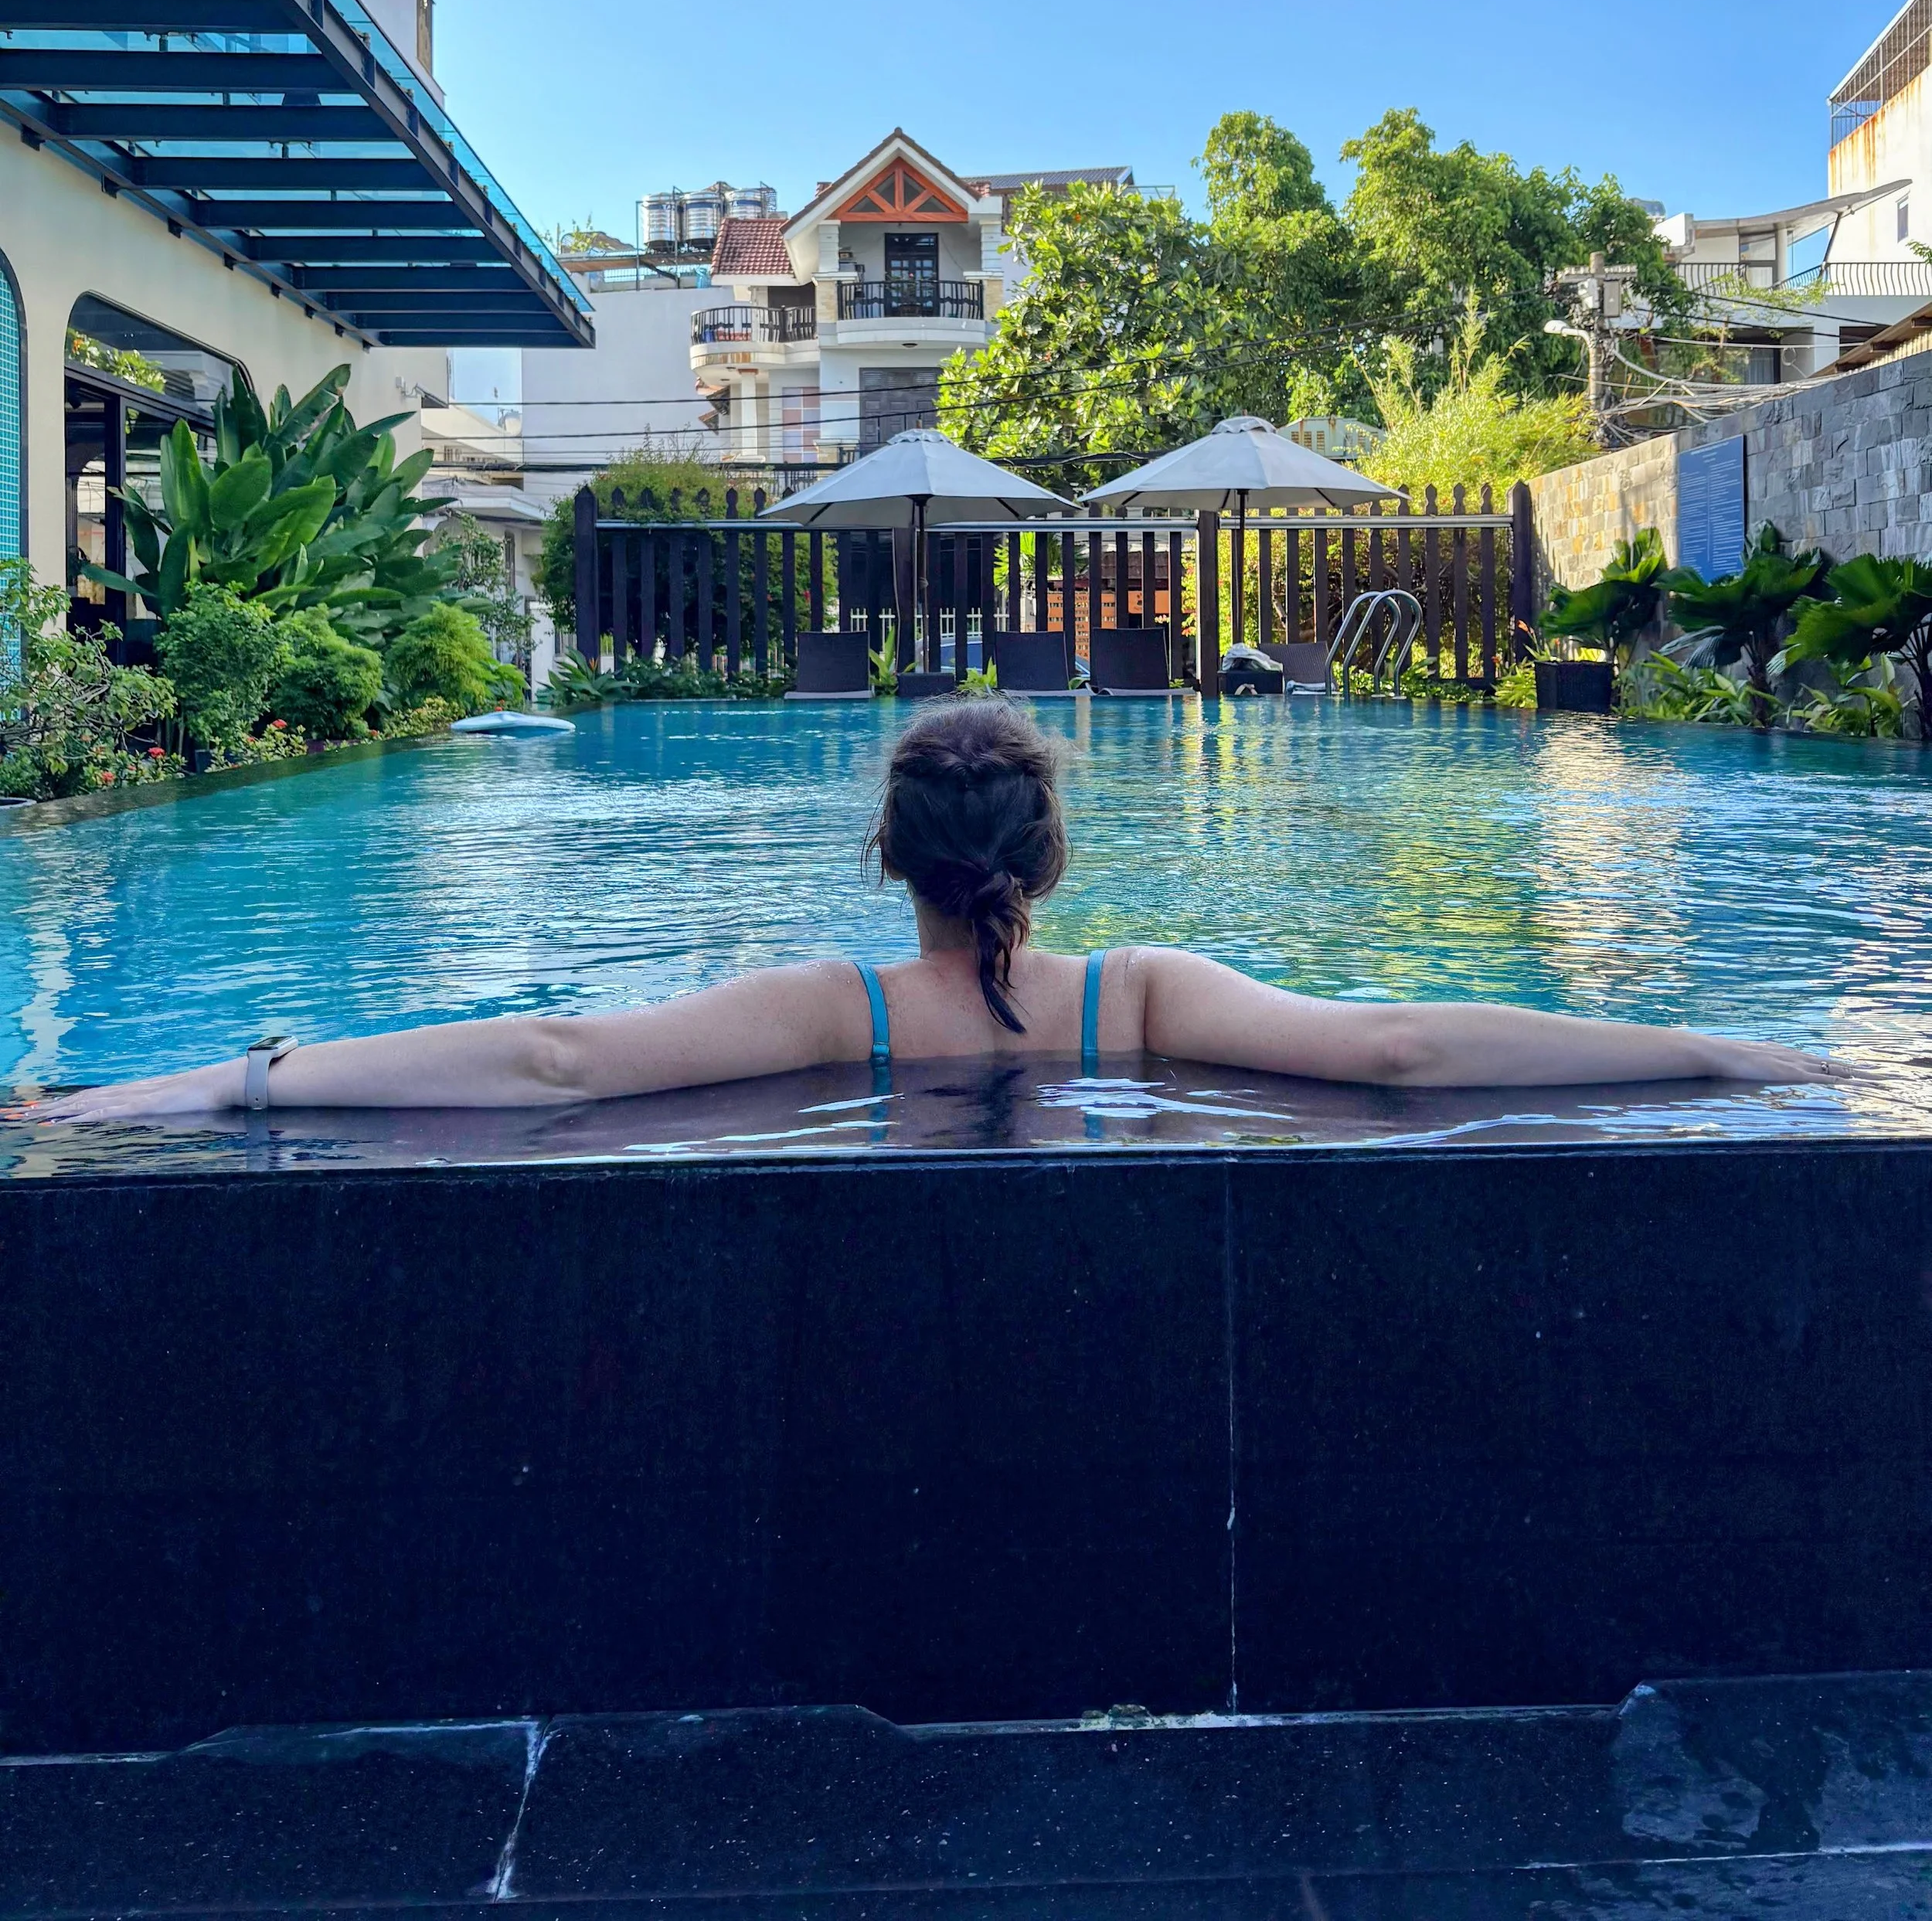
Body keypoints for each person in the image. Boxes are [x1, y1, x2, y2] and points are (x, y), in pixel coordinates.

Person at [27, 699, 1822, 1122]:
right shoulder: (1140, 996)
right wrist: (1717, 1051)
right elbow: (1400, 1049)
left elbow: (557, 1060)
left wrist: (209, 1084)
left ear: (888, 854)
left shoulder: (836, 1015)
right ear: (1046, 858)